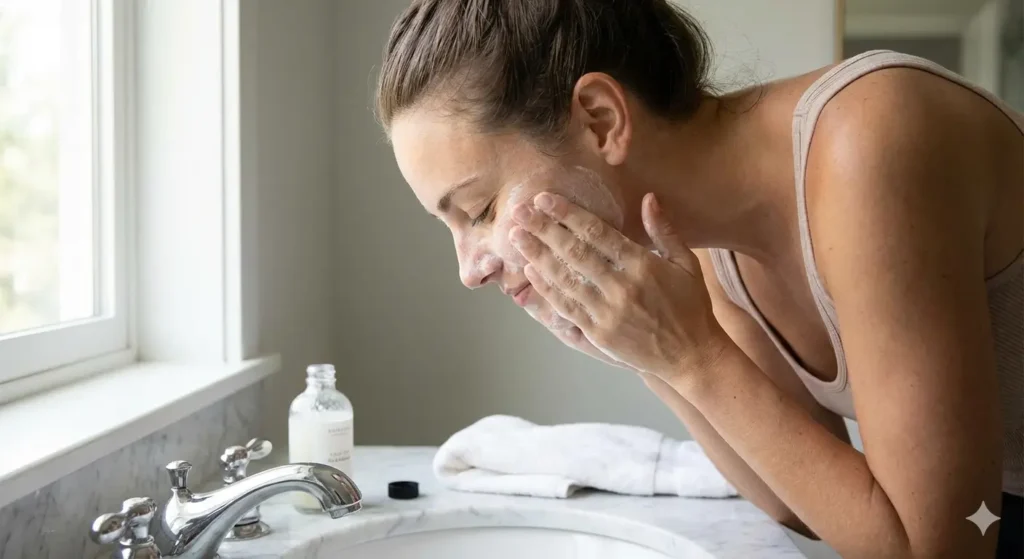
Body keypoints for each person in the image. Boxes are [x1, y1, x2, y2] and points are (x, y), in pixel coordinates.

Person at [374, 1, 1023, 557]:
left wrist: (693, 355)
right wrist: (648, 353)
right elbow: (796, 502)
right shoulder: (698, 237)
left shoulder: (872, 141)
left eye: (480, 210)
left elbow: (939, 547)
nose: (471, 269)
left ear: (600, 119)